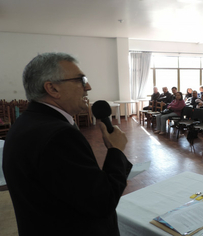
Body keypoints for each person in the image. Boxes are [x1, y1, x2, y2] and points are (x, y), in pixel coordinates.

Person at [2, 52, 133, 236]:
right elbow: (102, 202)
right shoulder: (59, 136)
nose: (88, 87)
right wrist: (116, 151)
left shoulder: (27, 122)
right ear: (53, 89)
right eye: (81, 79)